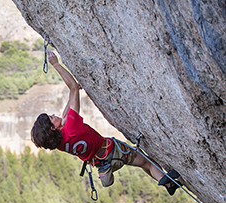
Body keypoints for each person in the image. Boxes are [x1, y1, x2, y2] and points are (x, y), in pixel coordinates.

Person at [31, 50, 181, 195]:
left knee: (141, 160)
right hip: (113, 151)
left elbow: (66, 112)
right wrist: (56, 64)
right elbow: (72, 90)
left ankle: (166, 184)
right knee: (147, 162)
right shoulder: (72, 127)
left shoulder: (60, 143)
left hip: (103, 162)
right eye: (51, 118)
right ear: (52, 128)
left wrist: (75, 89)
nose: (53, 114)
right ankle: (166, 181)